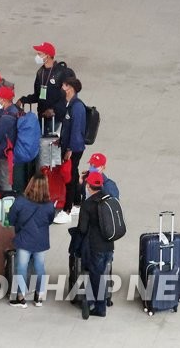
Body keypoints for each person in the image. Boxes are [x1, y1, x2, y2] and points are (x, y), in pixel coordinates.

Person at [7, 174, 56, 308]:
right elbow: (50, 220)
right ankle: (39, 296)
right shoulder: (49, 205)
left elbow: (11, 219)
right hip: (41, 240)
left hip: (24, 239)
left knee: (21, 267)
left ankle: (21, 297)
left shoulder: (20, 201)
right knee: (40, 267)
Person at [78, 171, 116, 318]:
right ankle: (103, 300)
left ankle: (100, 308)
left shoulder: (88, 205)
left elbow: (82, 229)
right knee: (103, 274)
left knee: (96, 276)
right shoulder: (109, 199)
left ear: (88, 186)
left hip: (96, 246)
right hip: (109, 244)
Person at [53, 77, 87, 225]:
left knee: (70, 178)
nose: (62, 87)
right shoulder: (70, 104)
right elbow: (68, 127)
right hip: (70, 146)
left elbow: (76, 130)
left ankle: (67, 210)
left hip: (74, 148)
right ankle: (77, 203)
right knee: (73, 174)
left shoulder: (77, 107)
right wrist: (61, 140)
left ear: (71, 88)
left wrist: (70, 149)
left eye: (64, 85)